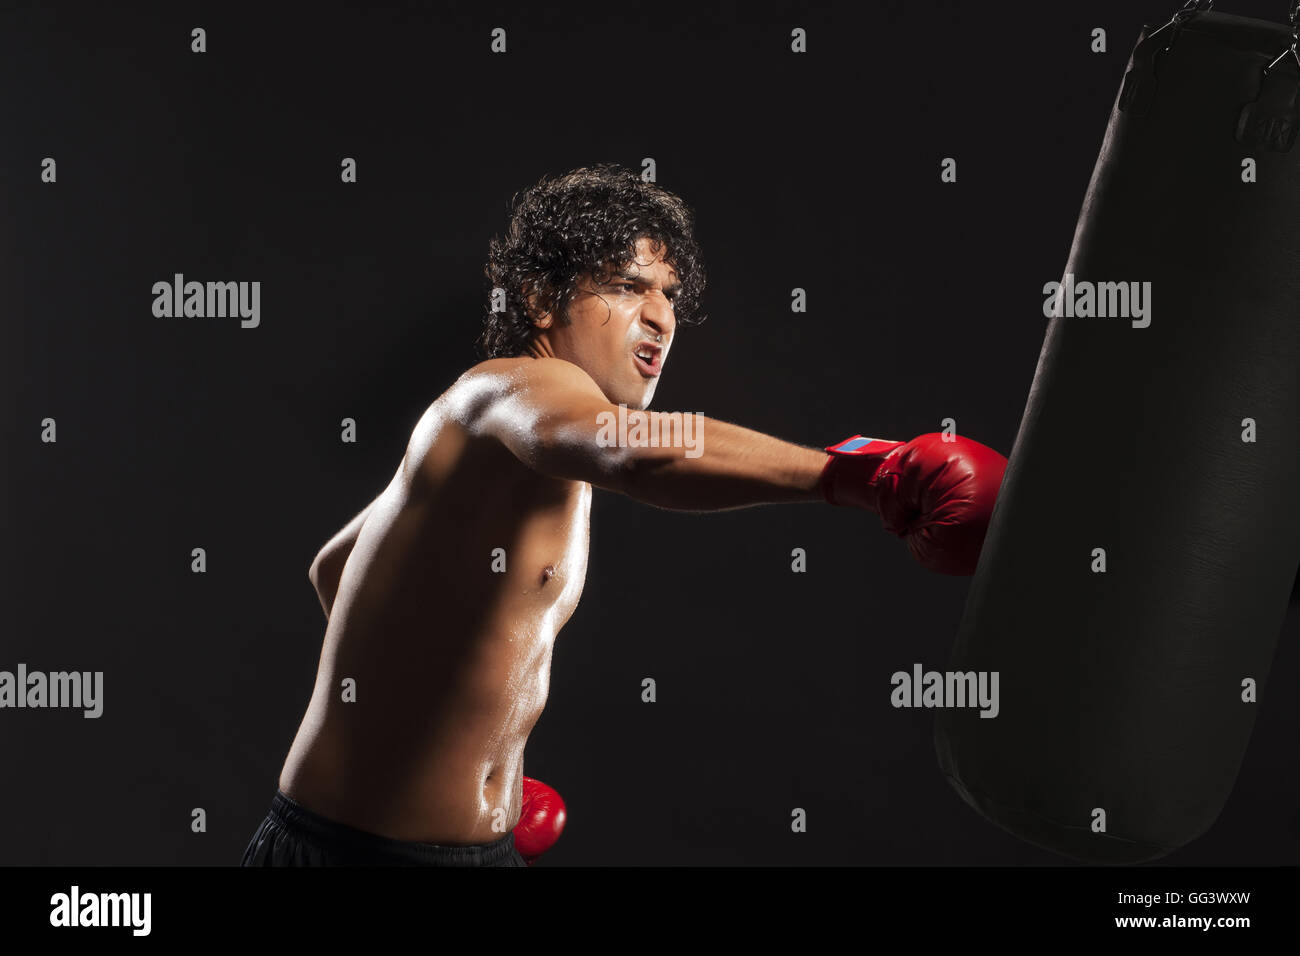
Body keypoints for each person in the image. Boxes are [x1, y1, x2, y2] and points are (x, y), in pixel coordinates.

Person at [241, 164, 1007, 867]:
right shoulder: (504, 391)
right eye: (627, 286)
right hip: (351, 856)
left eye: (669, 296)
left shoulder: (512, 450)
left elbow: (337, 567)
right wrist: (859, 475)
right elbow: (635, 449)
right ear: (541, 299)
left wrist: (461, 762)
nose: (660, 318)